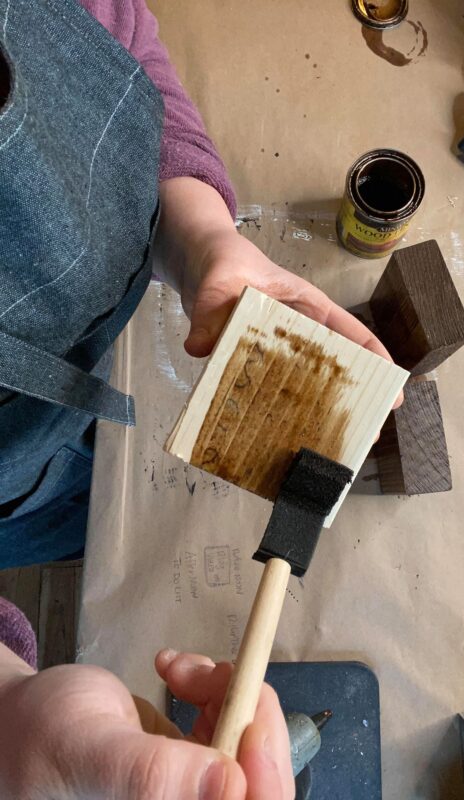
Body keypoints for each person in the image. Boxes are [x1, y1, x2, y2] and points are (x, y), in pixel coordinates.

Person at [0, 1, 397, 796]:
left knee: (94, 505)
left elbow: (117, 60)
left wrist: (202, 237)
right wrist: (8, 712)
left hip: (74, 401)